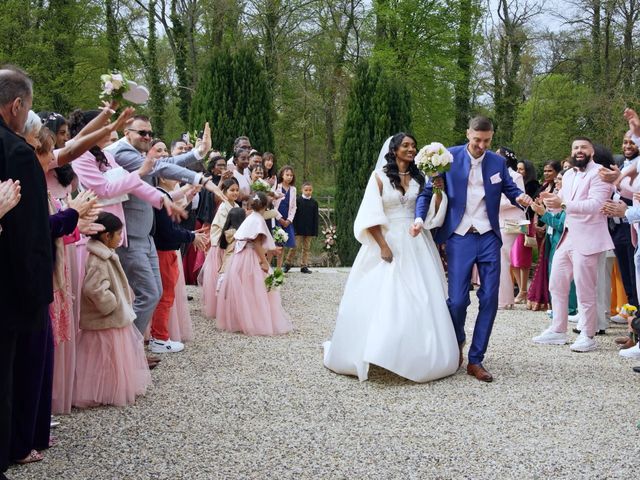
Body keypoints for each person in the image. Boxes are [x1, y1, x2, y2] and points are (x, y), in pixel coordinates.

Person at [324, 133, 457, 382]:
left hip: (417, 242)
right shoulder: (379, 177)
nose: (411, 149)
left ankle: (416, 355)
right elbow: (370, 214)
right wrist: (383, 246)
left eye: (414, 146)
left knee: (421, 298)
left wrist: (439, 193)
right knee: (383, 297)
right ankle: (375, 351)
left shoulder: (422, 178)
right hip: (387, 241)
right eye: (406, 145)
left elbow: (429, 211)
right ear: (394, 149)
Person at [413, 117, 532, 382]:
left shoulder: (498, 162)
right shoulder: (446, 158)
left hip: (489, 235)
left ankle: (476, 359)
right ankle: (456, 343)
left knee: (490, 299)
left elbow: (510, 190)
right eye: (476, 140)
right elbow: (427, 192)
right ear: (468, 134)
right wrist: (420, 219)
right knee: (456, 300)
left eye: (486, 141)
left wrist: (521, 198)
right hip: (459, 235)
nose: (481, 145)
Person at [103, 117, 216, 347]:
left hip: (146, 236)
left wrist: (198, 153)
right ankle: (127, 348)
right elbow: (160, 166)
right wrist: (198, 177)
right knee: (148, 294)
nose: (147, 137)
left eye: (149, 133)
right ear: (127, 132)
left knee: (155, 293)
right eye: (142, 133)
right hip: (131, 236)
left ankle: (132, 346)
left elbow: (167, 162)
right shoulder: (121, 153)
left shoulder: (138, 154)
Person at [0, 65, 54, 477]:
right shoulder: (17, 154)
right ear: (17, 106)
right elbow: (33, 236)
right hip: (11, 289)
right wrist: (40, 292)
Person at [533, 137, 614, 352]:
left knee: (585, 289)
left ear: (592, 152)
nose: (579, 151)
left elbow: (596, 205)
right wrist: (550, 202)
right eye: (575, 148)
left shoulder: (600, 174)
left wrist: (563, 204)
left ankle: (588, 335)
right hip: (567, 236)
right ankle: (558, 330)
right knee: (556, 283)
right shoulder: (568, 175)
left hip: (588, 238)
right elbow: (560, 203)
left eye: (583, 147)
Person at [74, 212, 151, 407]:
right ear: (106, 236)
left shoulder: (105, 255)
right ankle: (103, 391)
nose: (121, 238)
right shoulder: (99, 259)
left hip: (110, 318)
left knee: (108, 359)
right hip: (106, 319)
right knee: (104, 358)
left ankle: (110, 389)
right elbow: (93, 288)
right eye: (118, 234)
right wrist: (112, 304)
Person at [216, 192, 292, 335]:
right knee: (256, 288)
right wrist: (264, 262)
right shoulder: (258, 220)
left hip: (240, 256)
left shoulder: (251, 217)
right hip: (250, 257)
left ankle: (241, 320)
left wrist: (272, 249)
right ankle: (255, 321)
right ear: (265, 206)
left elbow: (249, 239)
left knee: (244, 289)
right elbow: (256, 243)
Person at [150, 177, 207, 354]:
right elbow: (167, 230)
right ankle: (159, 338)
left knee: (167, 294)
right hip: (163, 251)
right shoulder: (159, 196)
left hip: (166, 250)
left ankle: (158, 336)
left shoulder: (163, 195)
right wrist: (191, 237)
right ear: (161, 177)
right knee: (165, 296)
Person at [200, 178, 240, 318]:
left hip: (231, 244)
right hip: (221, 245)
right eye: (232, 190)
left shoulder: (235, 205)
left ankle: (228, 304)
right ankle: (218, 306)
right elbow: (222, 227)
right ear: (224, 192)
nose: (235, 193)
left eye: (237, 190)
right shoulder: (224, 207)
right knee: (220, 275)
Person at [496, 147, 525, 309]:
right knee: (501, 258)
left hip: (511, 220)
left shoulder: (516, 176)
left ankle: (504, 299)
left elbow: (517, 199)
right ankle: (504, 297)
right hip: (498, 220)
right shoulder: (494, 175)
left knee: (503, 257)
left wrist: (492, 203)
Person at [511, 159, 538, 303]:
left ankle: (523, 289)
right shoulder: (513, 182)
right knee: (512, 256)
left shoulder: (532, 185)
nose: (518, 171)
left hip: (525, 221)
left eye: (521, 169)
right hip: (512, 220)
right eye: (517, 168)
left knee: (522, 256)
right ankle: (520, 288)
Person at [286, 181, 319, 273]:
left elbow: (315, 218)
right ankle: (288, 263)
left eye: (310, 190)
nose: (308, 192)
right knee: (294, 247)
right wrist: (293, 228)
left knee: (306, 248)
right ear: (302, 190)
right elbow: (294, 215)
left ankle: (304, 266)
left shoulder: (314, 203)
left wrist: (315, 231)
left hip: (309, 230)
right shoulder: (297, 201)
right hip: (298, 229)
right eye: (306, 190)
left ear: (312, 191)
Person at [274, 165, 297, 271]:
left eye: (291, 175)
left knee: (282, 245)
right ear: (282, 175)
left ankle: (279, 268)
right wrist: (279, 218)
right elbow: (273, 205)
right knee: (275, 244)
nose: (289, 177)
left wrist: (289, 220)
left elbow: (293, 207)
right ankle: (267, 266)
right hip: (277, 219)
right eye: (287, 175)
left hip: (287, 220)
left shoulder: (293, 189)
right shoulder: (276, 186)